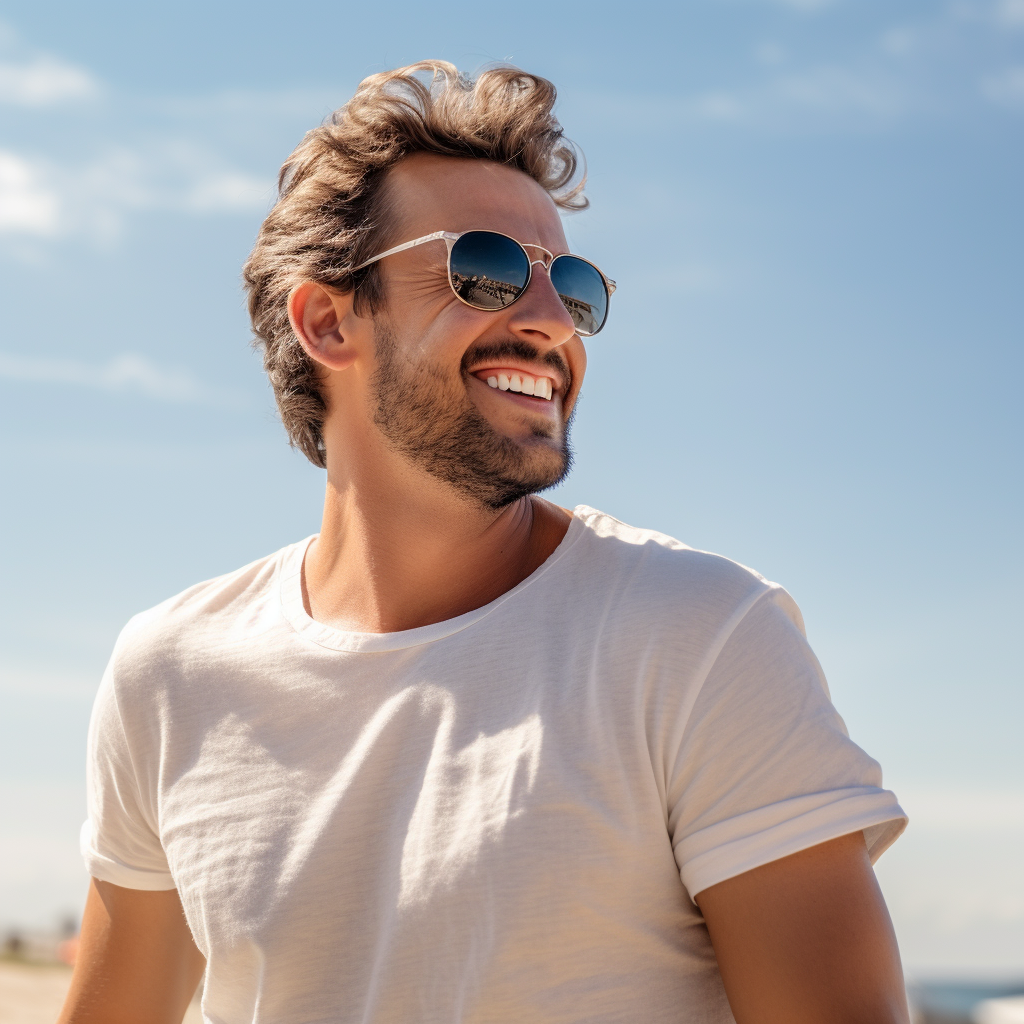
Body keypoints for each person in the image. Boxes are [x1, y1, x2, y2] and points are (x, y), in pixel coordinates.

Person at [59, 61, 910, 1024]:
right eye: (490, 269)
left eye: (575, 287)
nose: (551, 324)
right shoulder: (170, 672)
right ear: (329, 319)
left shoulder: (703, 638)